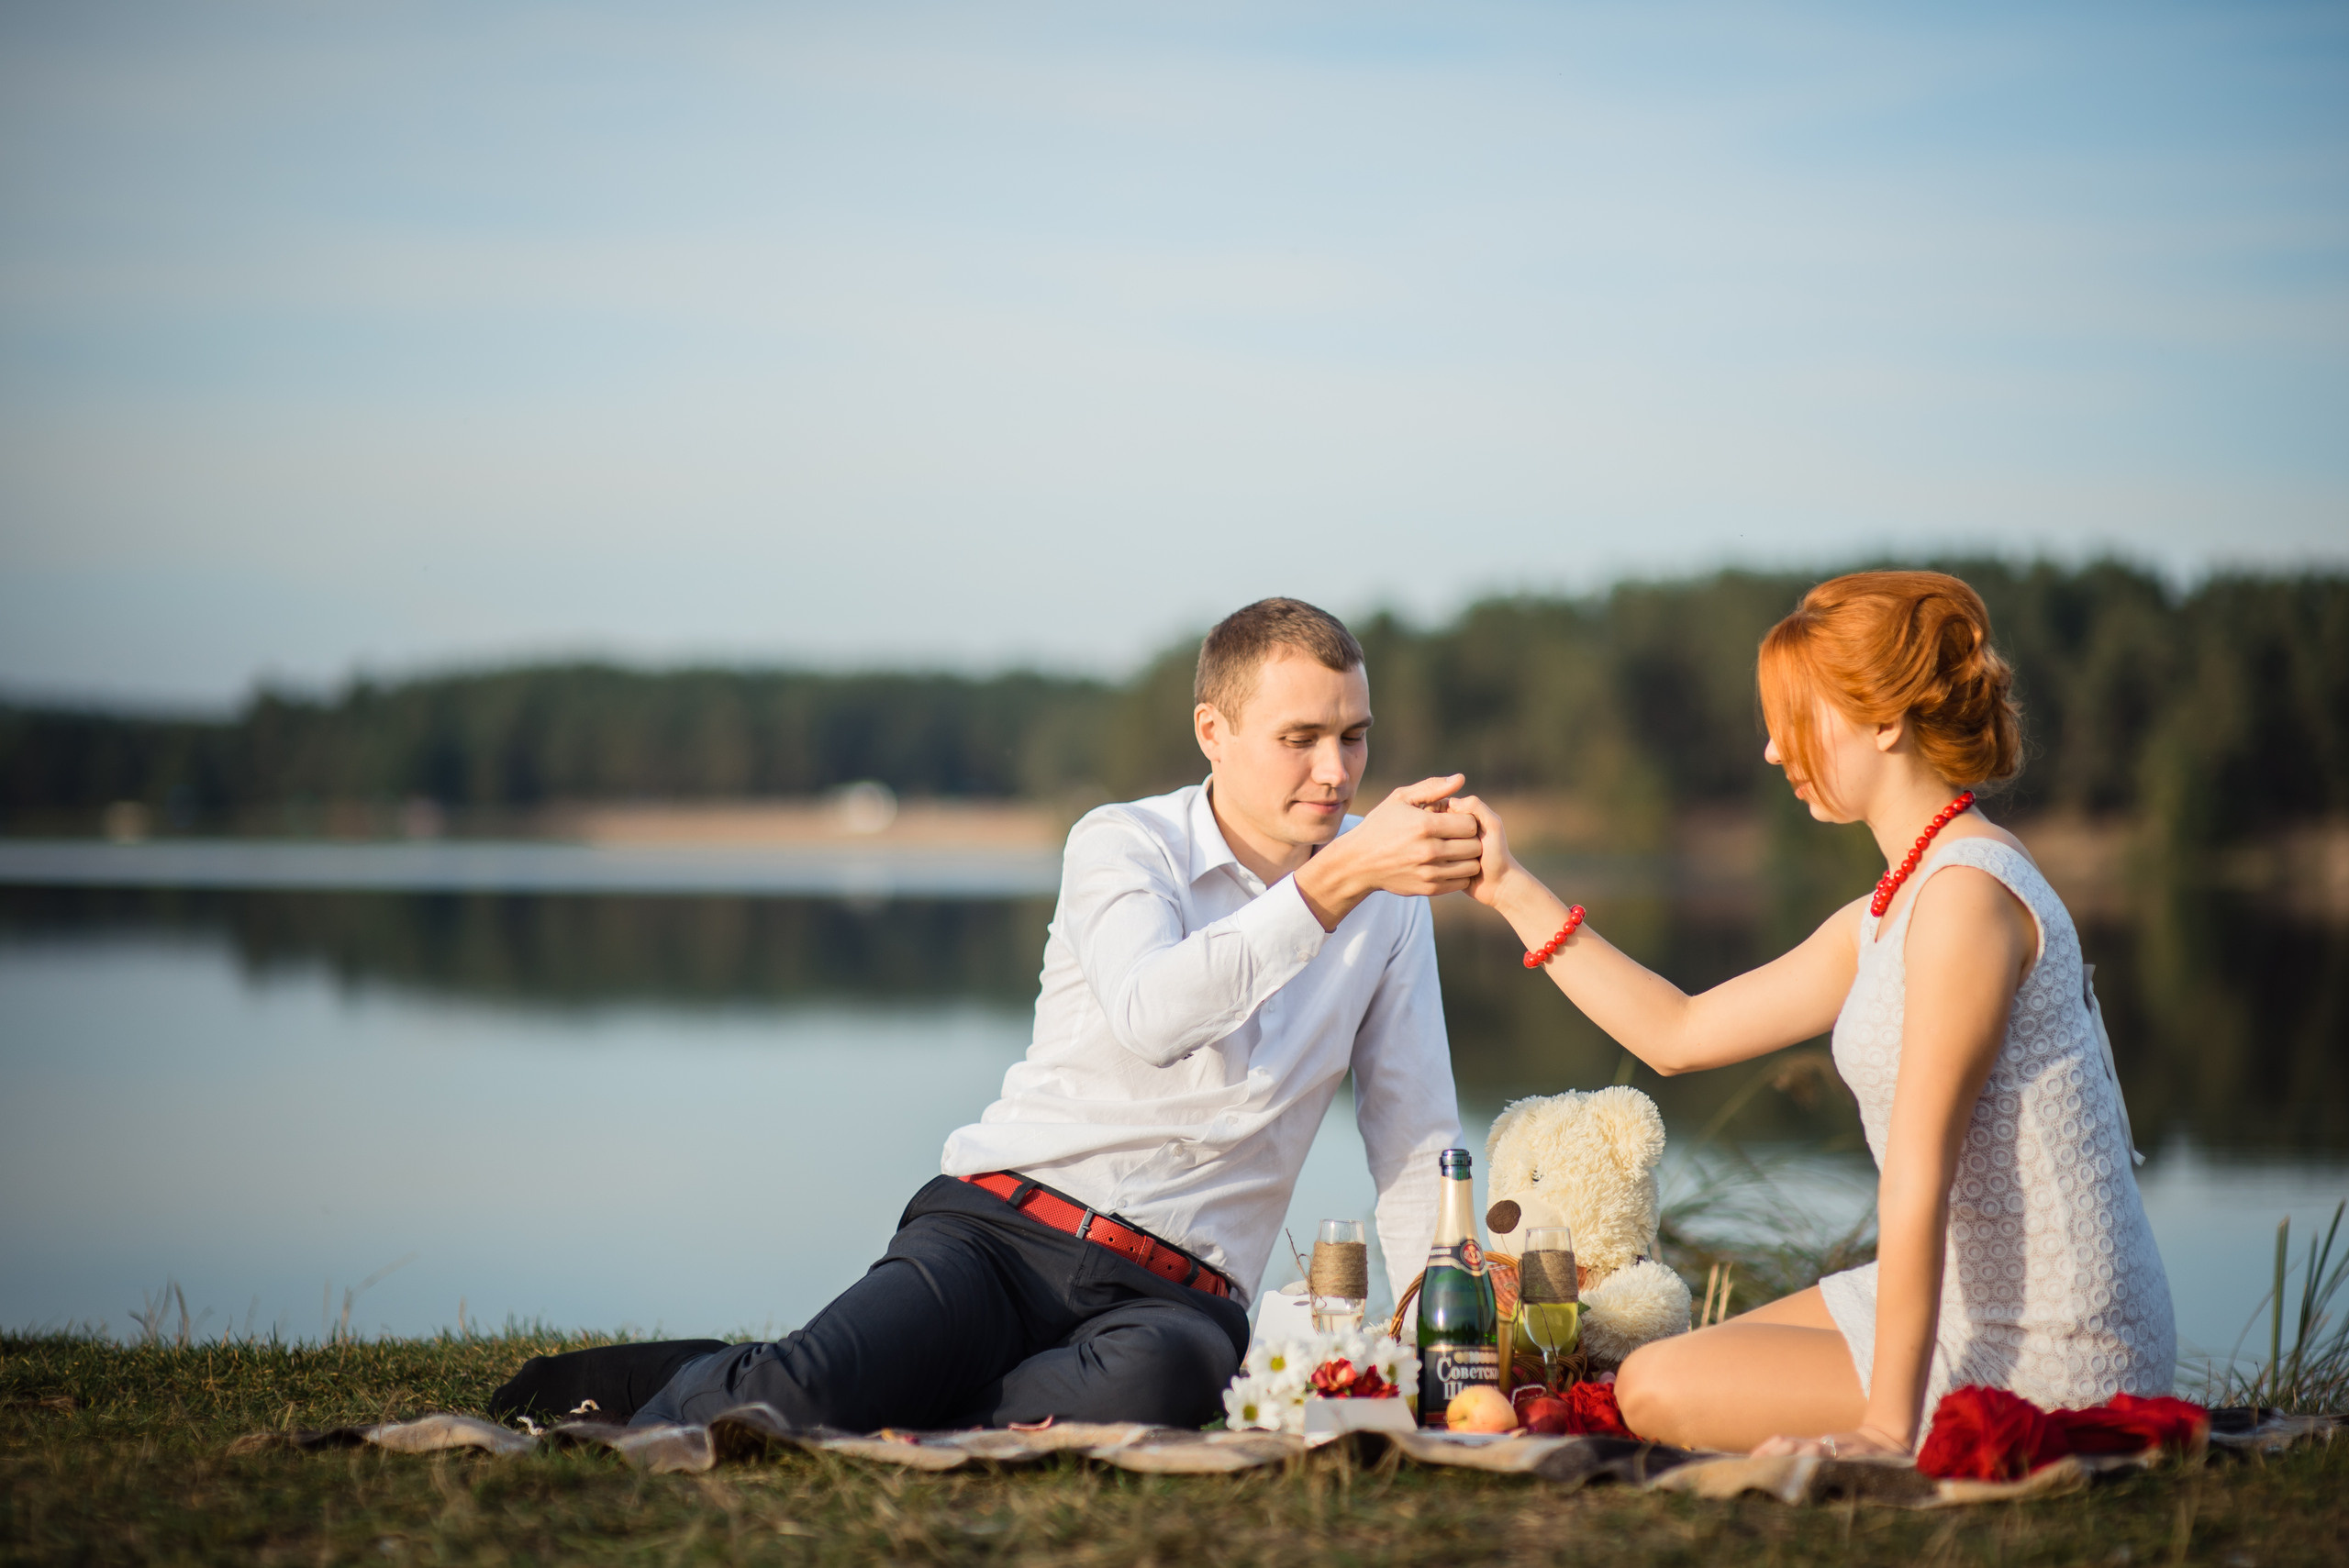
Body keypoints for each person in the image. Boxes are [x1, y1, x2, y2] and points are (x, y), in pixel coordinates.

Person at [495, 597, 1479, 1433]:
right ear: (1212, 732)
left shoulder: (1389, 902)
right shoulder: (1122, 843)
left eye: (1354, 735)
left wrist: (1441, 1356)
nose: (1336, 770)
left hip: (1177, 1301)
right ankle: (653, 1383)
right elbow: (1154, 1014)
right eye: (1300, 739)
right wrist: (1337, 881)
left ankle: (890, 1388)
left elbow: (1415, 1134)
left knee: (1158, 1388)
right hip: (1001, 1234)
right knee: (795, 1398)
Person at [1452, 570, 2176, 1458]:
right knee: (1666, 1363)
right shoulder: (1894, 905)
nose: (1771, 750)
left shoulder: (1965, 899)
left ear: (1886, 719)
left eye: (1796, 719)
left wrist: (1884, 1428)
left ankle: (1905, 1412)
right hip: (1961, 1294)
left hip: (2057, 1340)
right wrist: (1508, 889)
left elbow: (1918, 1175)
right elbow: (1678, 1032)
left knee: (1648, 1386)